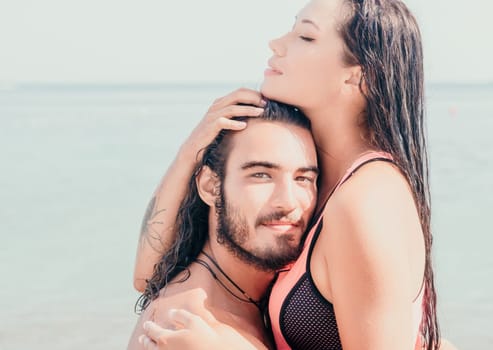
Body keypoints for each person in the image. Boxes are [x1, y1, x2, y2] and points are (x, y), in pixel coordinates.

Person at [134, 0, 444, 349]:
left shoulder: (366, 200)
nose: (277, 44)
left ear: (358, 75)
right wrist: (194, 147)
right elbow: (149, 275)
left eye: (305, 37)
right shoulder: (319, 178)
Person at [128, 101, 319, 349]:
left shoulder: (258, 296)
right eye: (261, 174)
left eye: (303, 178)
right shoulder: (180, 327)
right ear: (210, 186)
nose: (288, 202)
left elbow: (145, 277)